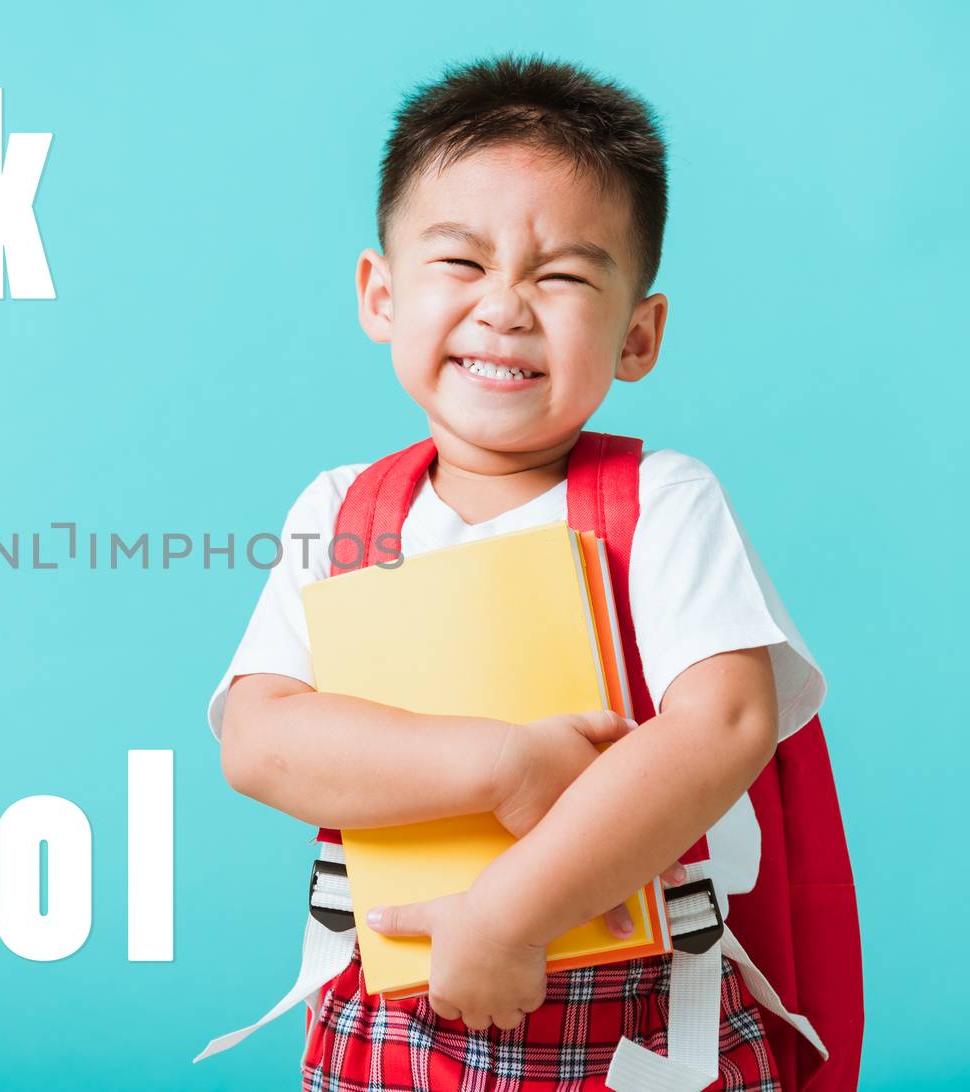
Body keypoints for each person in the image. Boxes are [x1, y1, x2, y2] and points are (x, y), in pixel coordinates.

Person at [206, 54, 826, 1090]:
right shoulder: (342, 511)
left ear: (638, 334)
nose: (505, 306)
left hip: (634, 1018)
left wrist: (509, 912)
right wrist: (505, 765)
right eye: (460, 262)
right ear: (379, 294)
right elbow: (262, 740)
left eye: (564, 274)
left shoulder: (663, 501)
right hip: (393, 1004)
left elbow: (721, 728)